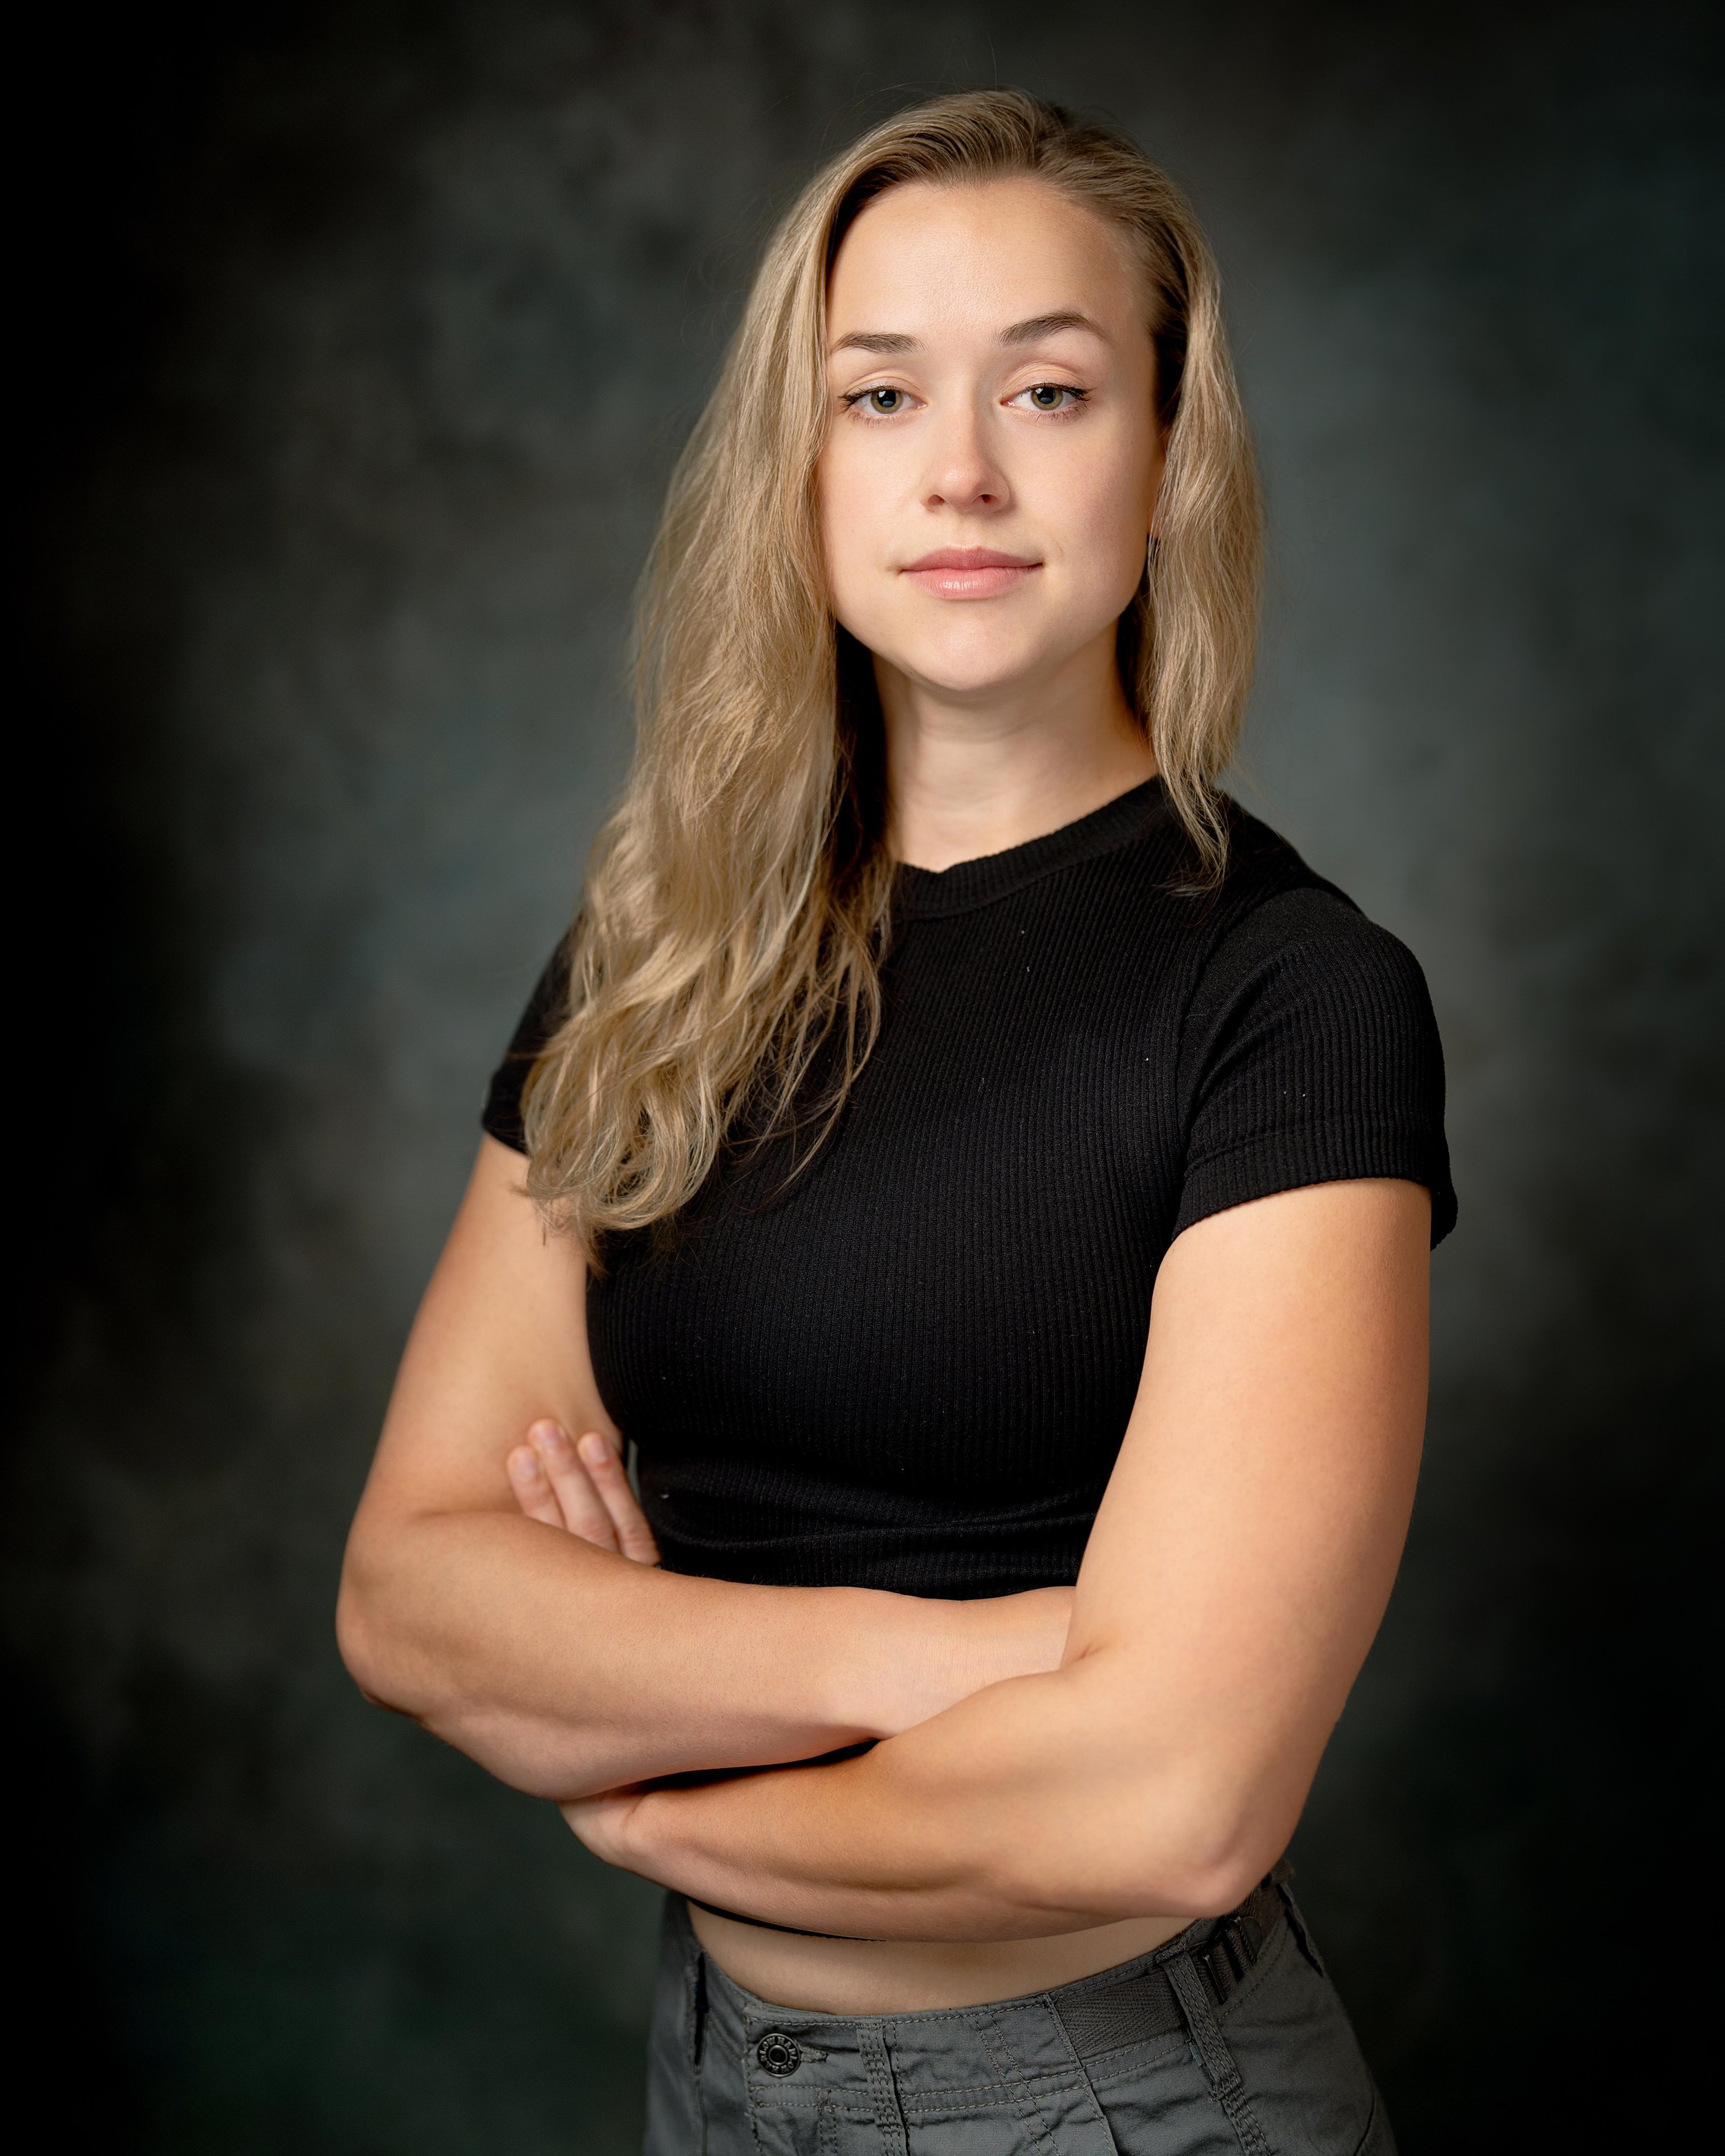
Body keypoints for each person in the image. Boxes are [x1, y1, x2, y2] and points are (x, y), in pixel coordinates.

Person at [338, 87, 1452, 2155]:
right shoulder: (657, 956)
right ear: (800, 461)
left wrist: (644, 1764)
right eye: (876, 396)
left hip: (1115, 2100)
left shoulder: (1292, 1002)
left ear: (1161, 449)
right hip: (710, 2085)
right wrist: (960, 1659)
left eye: (1047, 387)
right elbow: (408, 1593)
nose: (958, 471)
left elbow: (1176, 1804)